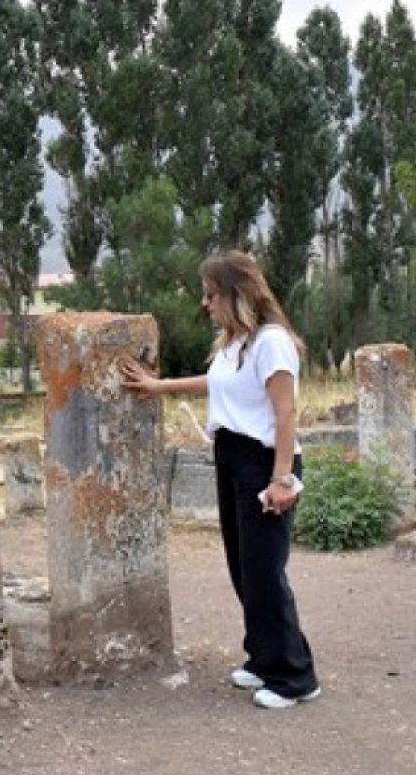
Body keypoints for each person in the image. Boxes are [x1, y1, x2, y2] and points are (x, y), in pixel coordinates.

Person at [122, 250, 320, 710]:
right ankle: (264, 658)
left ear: (237, 295)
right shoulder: (235, 343)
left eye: (211, 295)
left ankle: (295, 675)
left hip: (265, 459)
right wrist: (160, 387)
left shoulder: (272, 341)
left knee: (265, 572)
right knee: (243, 566)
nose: (205, 304)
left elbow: (285, 412)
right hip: (231, 454)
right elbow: (216, 386)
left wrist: (283, 479)